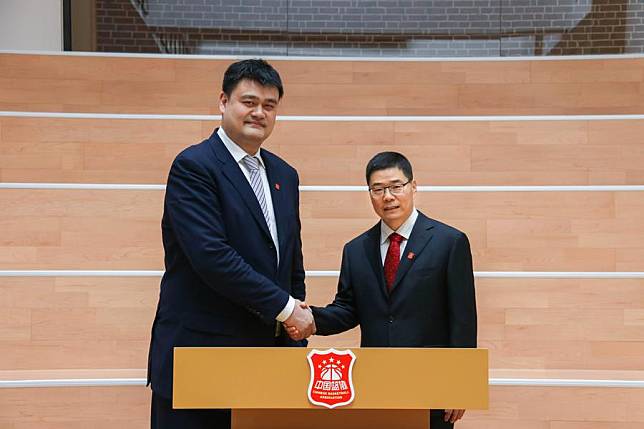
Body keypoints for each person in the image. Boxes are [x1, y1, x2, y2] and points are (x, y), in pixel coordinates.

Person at [147, 59, 314, 429]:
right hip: (200, 359)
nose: (259, 113)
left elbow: (290, 261)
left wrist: (293, 333)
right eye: (249, 102)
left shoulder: (285, 175)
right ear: (223, 102)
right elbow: (212, 256)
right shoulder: (194, 166)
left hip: (265, 364)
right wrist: (287, 310)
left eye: (269, 106)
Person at [287, 151, 477, 428]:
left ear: (413, 186)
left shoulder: (449, 242)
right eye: (378, 189)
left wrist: (460, 386)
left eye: (396, 186)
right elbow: (347, 310)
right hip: (375, 383)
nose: (388, 196)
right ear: (370, 194)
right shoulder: (356, 250)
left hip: (431, 384)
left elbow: (463, 320)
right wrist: (308, 319)